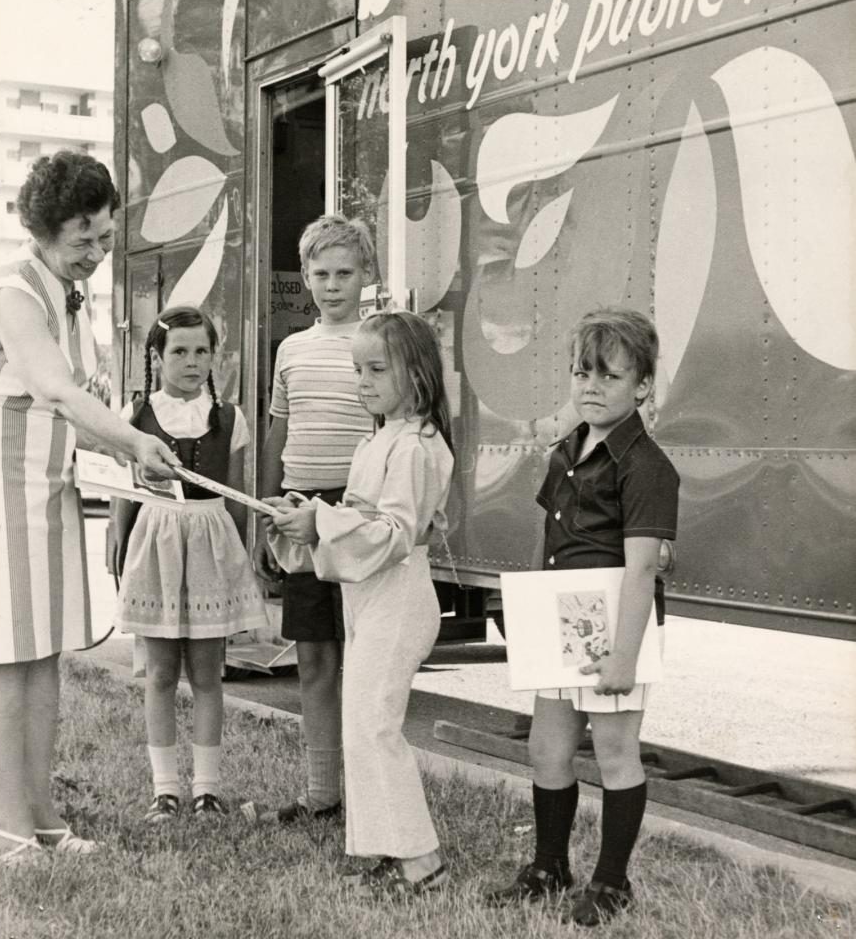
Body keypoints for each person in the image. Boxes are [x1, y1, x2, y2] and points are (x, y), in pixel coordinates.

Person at [0, 151, 178, 867]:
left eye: (104, 238)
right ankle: (7, 826)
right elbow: (58, 392)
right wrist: (135, 441)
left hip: (49, 487)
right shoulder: (11, 290)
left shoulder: (69, 291)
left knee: (42, 657)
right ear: (41, 230)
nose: (96, 254)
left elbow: (84, 394)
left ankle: (42, 817)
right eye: (82, 241)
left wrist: (120, 451)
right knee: (6, 658)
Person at [486, 308, 679, 926]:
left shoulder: (645, 465)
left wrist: (624, 654)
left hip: (613, 621)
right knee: (548, 747)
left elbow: (643, 569)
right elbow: (548, 538)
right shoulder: (564, 451)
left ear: (643, 386)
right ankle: (549, 866)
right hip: (559, 616)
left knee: (617, 750)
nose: (590, 387)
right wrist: (526, 611)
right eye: (580, 373)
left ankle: (613, 881)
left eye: (610, 377)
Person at [269, 310, 454, 895]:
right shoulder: (376, 441)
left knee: (375, 728)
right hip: (368, 600)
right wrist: (306, 523)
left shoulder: (419, 447)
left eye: (377, 369)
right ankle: (385, 851)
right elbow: (356, 522)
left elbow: (396, 535)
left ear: (419, 377)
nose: (363, 381)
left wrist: (321, 521)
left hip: (399, 602)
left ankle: (421, 862)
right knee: (361, 727)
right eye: (358, 369)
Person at [113, 305, 268, 822]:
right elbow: (124, 491)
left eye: (202, 351)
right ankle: (165, 790)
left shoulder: (230, 418)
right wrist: (118, 536)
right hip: (157, 540)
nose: (192, 361)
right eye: (179, 351)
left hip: (210, 542)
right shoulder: (137, 415)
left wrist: (244, 557)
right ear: (157, 357)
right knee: (160, 672)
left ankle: (206, 790)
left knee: (207, 673)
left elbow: (240, 494)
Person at [252, 215, 374, 823]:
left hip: (357, 513)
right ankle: (322, 791)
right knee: (314, 656)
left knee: (365, 654)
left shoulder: (381, 345)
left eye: (344, 273)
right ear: (304, 278)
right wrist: (265, 509)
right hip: (299, 512)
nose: (331, 286)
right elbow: (280, 430)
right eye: (320, 274)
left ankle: (371, 791)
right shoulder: (291, 349)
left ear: (367, 275)